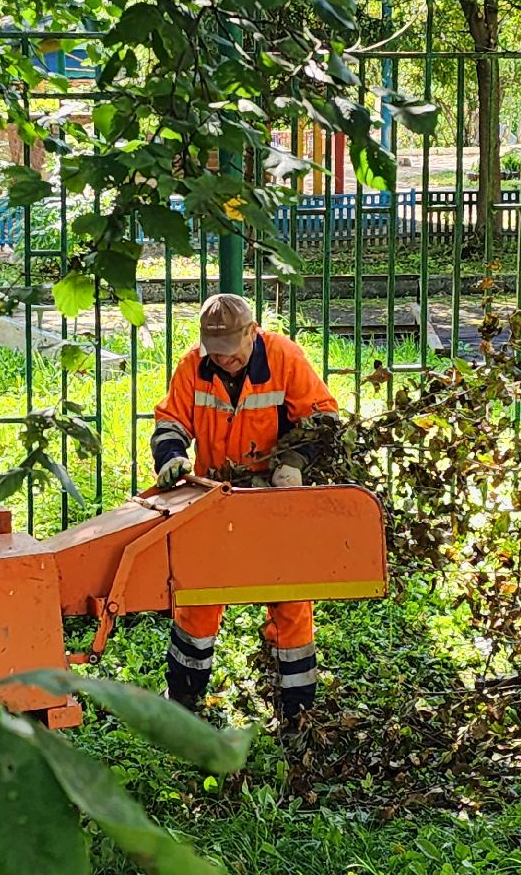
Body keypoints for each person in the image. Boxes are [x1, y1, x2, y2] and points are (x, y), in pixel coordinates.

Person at [151, 293, 341, 728]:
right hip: (214, 499)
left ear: (253, 334)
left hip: (277, 501)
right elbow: (169, 423)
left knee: (290, 600)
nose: (225, 363)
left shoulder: (285, 357)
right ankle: (182, 703)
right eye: (216, 356)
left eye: (233, 356)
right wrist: (172, 457)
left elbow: (324, 418)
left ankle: (297, 714)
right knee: (197, 599)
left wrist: (293, 464)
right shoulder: (192, 366)